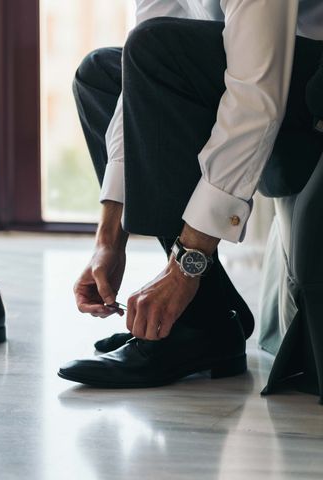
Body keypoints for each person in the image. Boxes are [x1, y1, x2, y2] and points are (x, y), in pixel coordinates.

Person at [58, 0, 323, 388]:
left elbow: (256, 100)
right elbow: (137, 72)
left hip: (307, 81)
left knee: (158, 49)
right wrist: (109, 240)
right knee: (100, 75)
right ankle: (207, 318)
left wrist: (186, 265)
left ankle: (196, 317)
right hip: (256, 67)